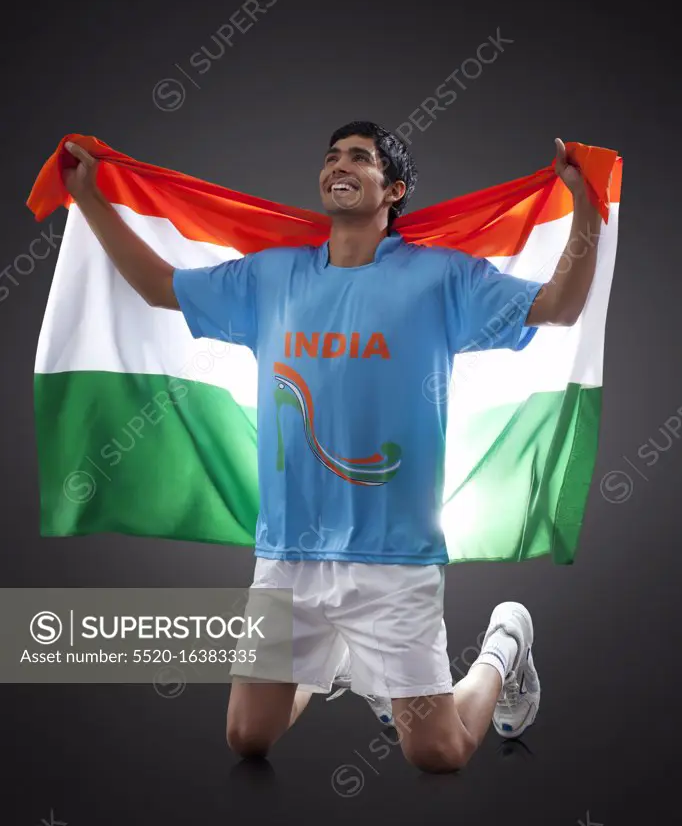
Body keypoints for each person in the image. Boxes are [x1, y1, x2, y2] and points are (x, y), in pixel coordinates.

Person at [62, 121, 601, 773]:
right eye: (331, 156)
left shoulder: (439, 279)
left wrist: (586, 209)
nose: (339, 165)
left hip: (392, 557)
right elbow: (156, 285)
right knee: (247, 739)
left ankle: (504, 646)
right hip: (288, 555)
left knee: (439, 754)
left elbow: (561, 305)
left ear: (393, 189)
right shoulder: (272, 277)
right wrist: (90, 197)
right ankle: (339, 663)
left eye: (360, 158)